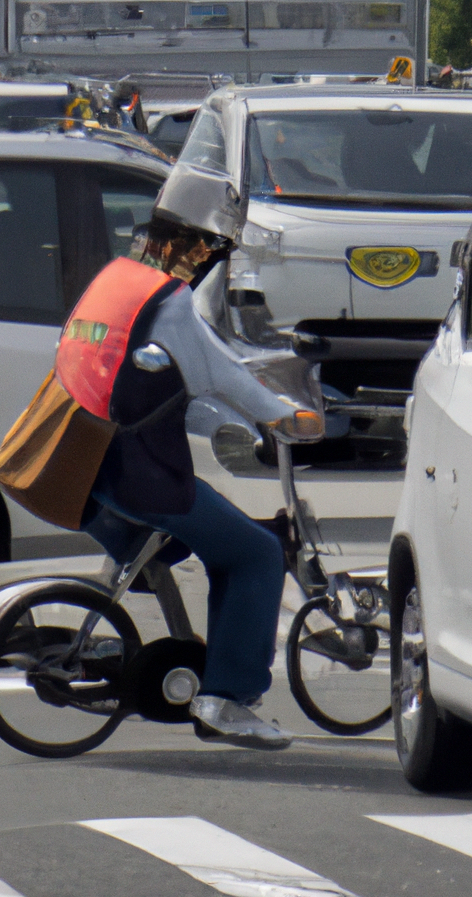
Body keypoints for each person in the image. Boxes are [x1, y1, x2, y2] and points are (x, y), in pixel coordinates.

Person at [69, 214, 317, 750]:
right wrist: (281, 418)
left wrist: (225, 422)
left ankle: (185, 657)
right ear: (166, 245)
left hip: (91, 459)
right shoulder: (169, 300)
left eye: (207, 249)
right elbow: (219, 373)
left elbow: (158, 382)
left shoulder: (115, 283)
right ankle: (227, 698)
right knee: (255, 553)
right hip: (143, 471)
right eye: (197, 246)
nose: (202, 258)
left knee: (200, 545)